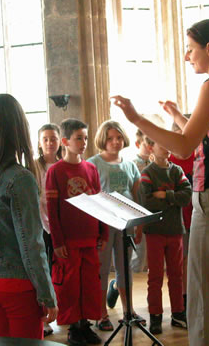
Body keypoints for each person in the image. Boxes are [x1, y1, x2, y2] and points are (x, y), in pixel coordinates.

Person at [112, 19, 209, 346]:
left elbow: (184, 146)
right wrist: (178, 116)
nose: (187, 56)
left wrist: (136, 119)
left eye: (191, 49)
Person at [0, 94, 57, 339]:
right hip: (19, 285)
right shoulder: (19, 178)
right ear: (18, 126)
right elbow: (31, 243)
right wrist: (46, 293)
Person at [46, 118, 108, 346]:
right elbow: (53, 210)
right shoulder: (56, 171)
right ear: (65, 141)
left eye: (85, 137)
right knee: (70, 286)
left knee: (89, 283)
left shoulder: (91, 169)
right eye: (78, 138)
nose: (83, 142)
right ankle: (74, 326)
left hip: (90, 236)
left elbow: (99, 202)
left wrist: (104, 233)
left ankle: (86, 324)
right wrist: (58, 241)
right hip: (69, 239)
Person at [87, 120, 144, 332]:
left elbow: (137, 195)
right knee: (102, 269)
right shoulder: (93, 163)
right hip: (103, 224)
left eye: (118, 138)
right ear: (103, 140)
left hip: (127, 223)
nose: (115, 142)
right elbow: (90, 195)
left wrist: (139, 226)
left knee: (124, 268)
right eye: (110, 138)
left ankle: (128, 310)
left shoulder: (130, 165)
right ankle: (101, 313)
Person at [138, 135, 192, 334]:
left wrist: (165, 195)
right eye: (163, 144)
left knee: (176, 275)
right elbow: (147, 202)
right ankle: (155, 315)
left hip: (175, 230)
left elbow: (187, 196)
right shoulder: (148, 173)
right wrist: (173, 199)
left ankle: (178, 313)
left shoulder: (177, 171)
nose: (168, 148)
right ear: (151, 148)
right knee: (155, 276)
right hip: (155, 232)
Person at [35, 123, 63, 337]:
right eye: (45, 139)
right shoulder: (33, 167)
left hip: (61, 224)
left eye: (53, 138)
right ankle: (43, 319)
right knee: (42, 272)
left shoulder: (63, 166)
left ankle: (64, 313)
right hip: (39, 225)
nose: (49, 143)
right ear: (39, 142)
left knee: (61, 272)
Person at [168, 122, 194, 312]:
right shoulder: (168, 160)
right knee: (181, 260)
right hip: (178, 218)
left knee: (197, 258)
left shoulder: (198, 155)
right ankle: (183, 298)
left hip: (198, 213)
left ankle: (196, 295)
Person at [130, 128, 150, 274]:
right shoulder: (133, 165)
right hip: (138, 214)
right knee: (138, 257)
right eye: (146, 143)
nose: (150, 146)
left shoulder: (156, 163)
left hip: (153, 212)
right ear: (138, 144)